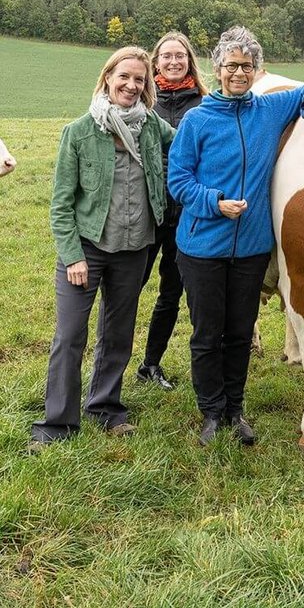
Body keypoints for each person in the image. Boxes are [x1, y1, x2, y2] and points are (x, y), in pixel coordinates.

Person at [167, 26, 304, 447]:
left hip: (251, 249)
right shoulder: (197, 119)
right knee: (208, 334)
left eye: (246, 66)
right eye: (231, 65)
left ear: (257, 70)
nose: (238, 72)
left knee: (241, 332)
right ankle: (211, 411)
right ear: (218, 69)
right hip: (202, 245)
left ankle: (236, 409)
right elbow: (178, 178)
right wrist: (214, 201)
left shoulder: (268, 109)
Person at [30, 47, 176, 452]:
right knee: (70, 335)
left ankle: (106, 407)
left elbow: (189, 143)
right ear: (107, 78)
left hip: (134, 249)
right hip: (87, 250)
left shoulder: (151, 127)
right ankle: (58, 422)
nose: (132, 85)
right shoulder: (79, 132)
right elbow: (61, 204)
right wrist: (73, 255)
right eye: (125, 77)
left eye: (140, 80)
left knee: (118, 332)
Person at [134, 32, 209, 391]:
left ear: (189, 60)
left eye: (180, 56)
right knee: (129, 287)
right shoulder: (144, 100)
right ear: (156, 61)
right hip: (148, 210)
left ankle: (151, 364)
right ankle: (110, 360)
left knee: (172, 290)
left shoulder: (205, 103)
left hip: (187, 214)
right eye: (167, 56)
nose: (174, 62)